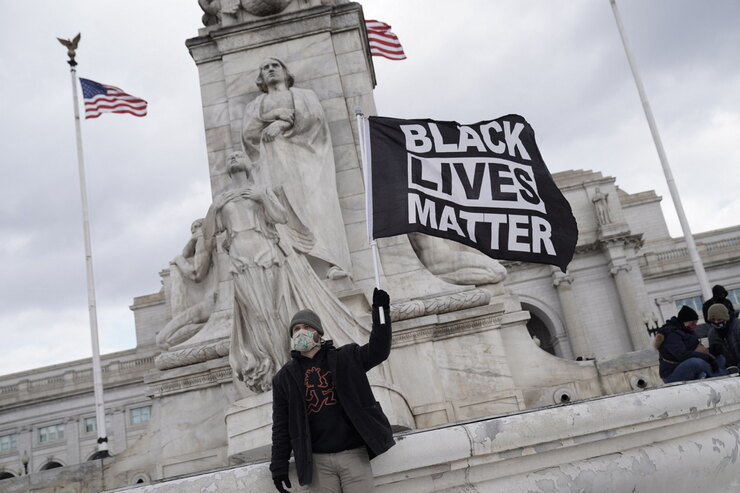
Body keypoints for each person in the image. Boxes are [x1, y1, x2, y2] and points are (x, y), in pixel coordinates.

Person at [270, 289, 395, 492]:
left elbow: (379, 350)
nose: (300, 332)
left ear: (318, 333)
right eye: (296, 329)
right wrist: (279, 466)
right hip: (317, 464)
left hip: (353, 454)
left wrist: (381, 311)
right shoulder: (283, 378)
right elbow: (281, 426)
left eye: (307, 327)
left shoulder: (347, 357)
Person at [241, 57, 351, 279]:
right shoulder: (256, 106)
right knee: (281, 214)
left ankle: (331, 262)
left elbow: (315, 120)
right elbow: (248, 134)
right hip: (272, 167)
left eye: (275, 66)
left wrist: (283, 124)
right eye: (265, 67)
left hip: (307, 163)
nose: (271, 70)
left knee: (317, 210)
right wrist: (271, 116)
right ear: (260, 77)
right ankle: (293, 271)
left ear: (285, 72)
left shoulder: (304, 95)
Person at [655, 305, 725, 383]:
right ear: (684, 321)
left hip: (686, 366)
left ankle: (724, 373)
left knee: (719, 357)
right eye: (692, 323)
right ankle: (722, 378)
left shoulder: (686, 331)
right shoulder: (671, 334)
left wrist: (711, 351)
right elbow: (682, 355)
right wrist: (706, 357)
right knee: (695, 362)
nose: (695, 326)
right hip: (672, 373)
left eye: (696, 323)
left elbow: (694, 349)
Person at [707, 303, 740, 371]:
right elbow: (717, 356)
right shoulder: (712, 334)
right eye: (713, 320)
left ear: (725, 318)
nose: (716, 322)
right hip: (730, 368)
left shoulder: (737, 326)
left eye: (719, 319)